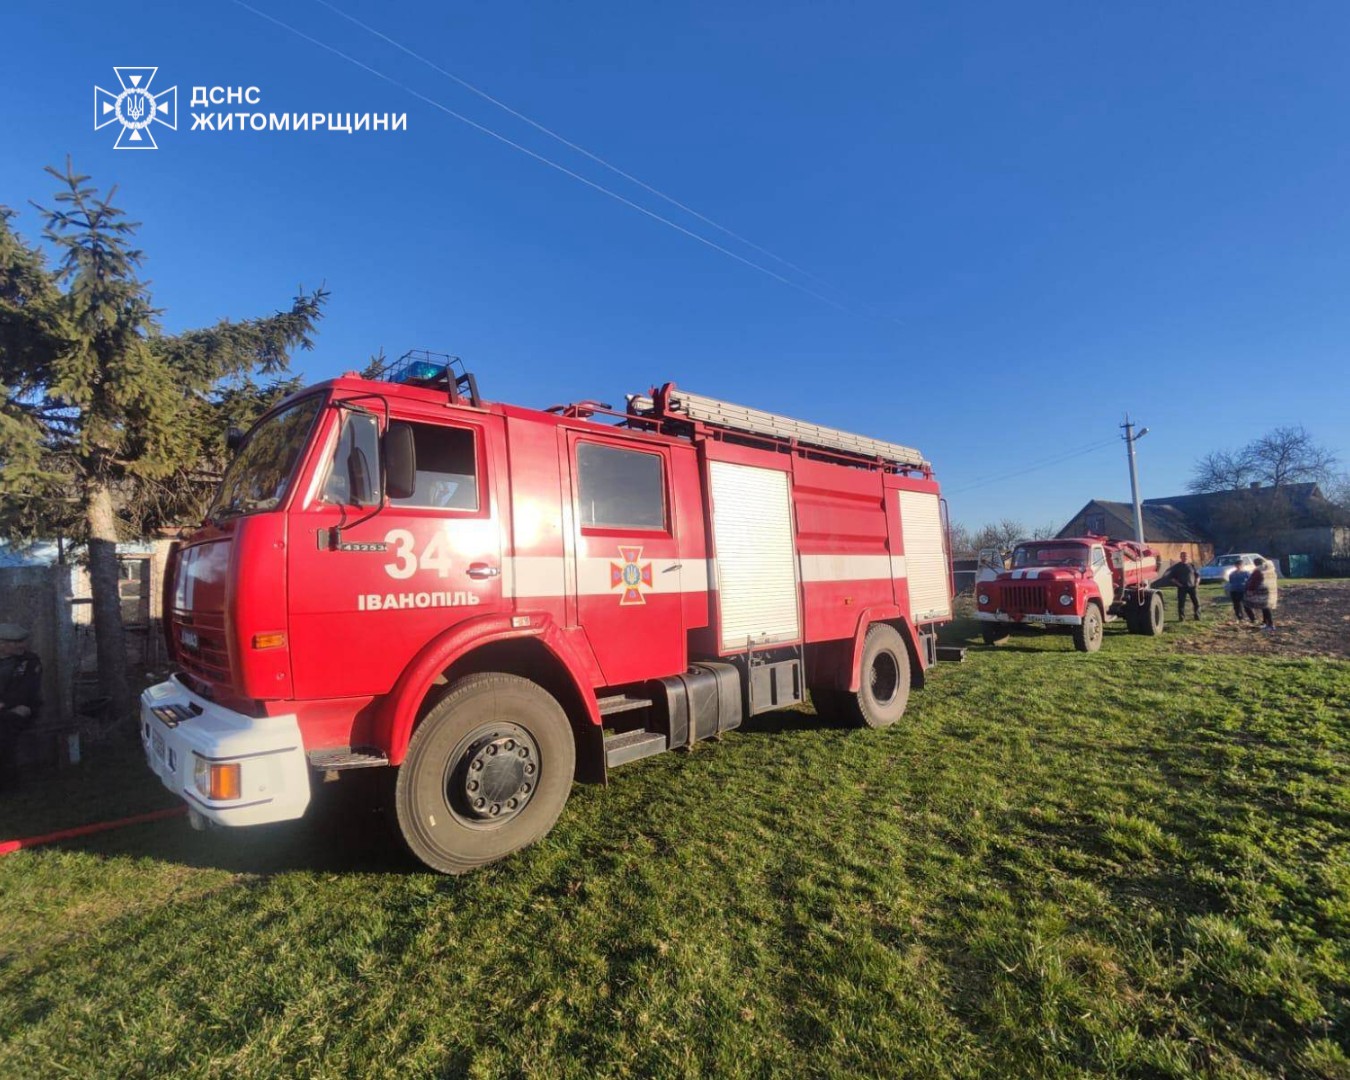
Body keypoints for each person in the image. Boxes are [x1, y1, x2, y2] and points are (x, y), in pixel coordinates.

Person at [0, 623, 43, 784]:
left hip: (21, 708)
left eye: (22, 641)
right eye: (16, 642)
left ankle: (7, 780)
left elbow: (26, 691)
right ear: (1, 644)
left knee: (4, 728)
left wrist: (4, 704)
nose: (22, 645)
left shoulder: (29, 661)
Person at [1244, 557, 1279, 631]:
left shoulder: (1258, 571)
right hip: (1270, 590)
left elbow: (1254, 580)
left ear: (1255, 564)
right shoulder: (1270, 569)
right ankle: (1266, 623)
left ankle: (1270, 625)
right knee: (1266, 607)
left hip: (1261, 591)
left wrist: (1250, 589)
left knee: (1265, 608)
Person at [1165, 552, 1202, 621]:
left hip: (1192, 587)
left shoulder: (1192, 565)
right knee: (1181, 603)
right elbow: (1171, 578)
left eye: (1186, 556)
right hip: (1182, 587)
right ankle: (1181, 618)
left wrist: (1197, 583)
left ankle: (1197, 616)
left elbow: (1198, 576)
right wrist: (1179, 584)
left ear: (1188, 557)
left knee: (1197, 603)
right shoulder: (1177, 566)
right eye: (1183, 556)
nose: (1185, 557)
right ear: (1180, 557)